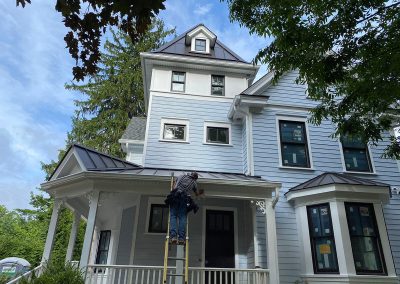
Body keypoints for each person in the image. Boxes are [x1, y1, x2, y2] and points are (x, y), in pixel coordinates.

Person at [165, 172, 201, 245]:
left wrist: (173, 190)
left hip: (175, 196)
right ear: (195, 178)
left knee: (173, 216)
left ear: (190, 174)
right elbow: (197, 193)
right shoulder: (194, 183)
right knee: (182, 217)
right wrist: (200, 193)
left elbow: (174, 185)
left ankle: (173, 237)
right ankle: (181, 238)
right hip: (184, 199)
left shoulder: (181, 176)